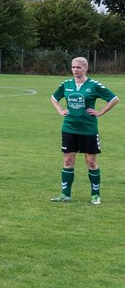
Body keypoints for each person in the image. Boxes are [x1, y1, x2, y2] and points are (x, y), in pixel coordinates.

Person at [50, 56, 117, 204]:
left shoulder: (94, 85)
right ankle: (65, 194)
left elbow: (114, 99)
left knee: (91, 161)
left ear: (86, 68)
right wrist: (60, 110)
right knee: (68, 160)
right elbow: (54, 98)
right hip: (69, 128)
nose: (75, 70)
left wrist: (100, 112)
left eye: (78, 67)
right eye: (73, 67)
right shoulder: (66, 84)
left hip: (88, 129)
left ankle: (95, 195)